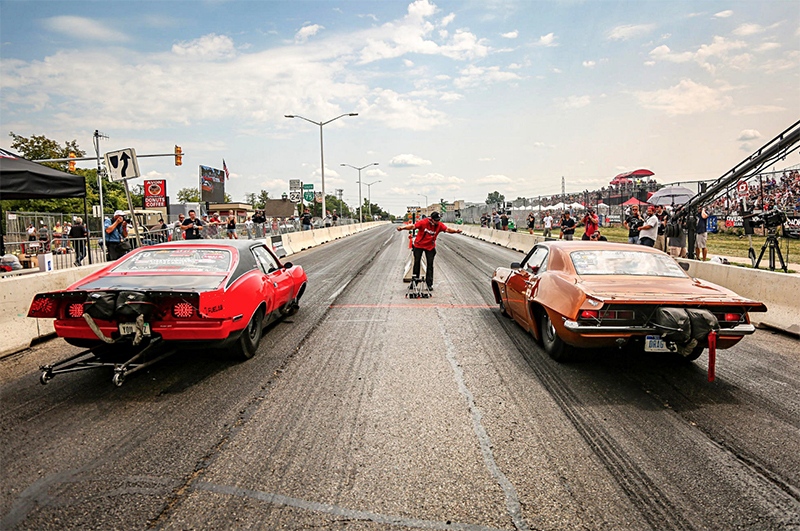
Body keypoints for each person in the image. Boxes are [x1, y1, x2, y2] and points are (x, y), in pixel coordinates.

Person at [396, 210, 461, 290]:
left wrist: (456, 231)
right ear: (431, 219)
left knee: (430, 265)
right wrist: (402, 228)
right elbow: (413, 226)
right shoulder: (423, 222)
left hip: (430, 247)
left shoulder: (439, 225)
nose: (437, 221)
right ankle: (414, 283)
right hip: (419, 245)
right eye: (436, 220)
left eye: (438, 220)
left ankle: (429, 284)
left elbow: (447, 230)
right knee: (416, 263)